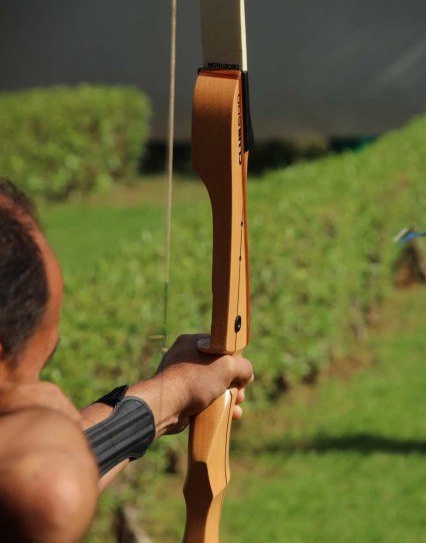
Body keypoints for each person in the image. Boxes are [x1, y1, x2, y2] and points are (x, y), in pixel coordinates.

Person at [0, 179, 254, 542]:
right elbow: (46, 489)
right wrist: (43, 412)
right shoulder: (43, 480)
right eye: (31, 371)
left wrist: (172, 393)